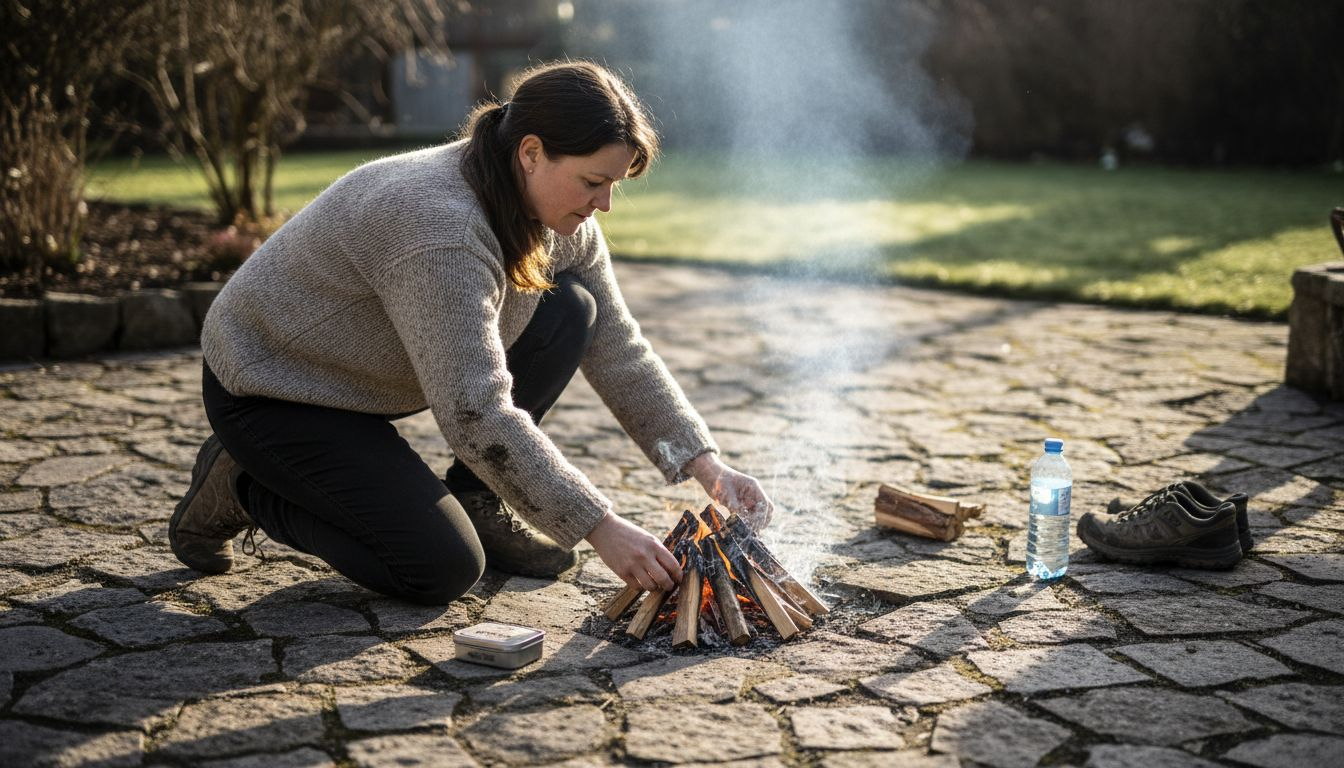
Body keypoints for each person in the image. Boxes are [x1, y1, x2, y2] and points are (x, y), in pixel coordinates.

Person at [169, 61, 775, 605]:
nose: (605, 204)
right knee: (438, 568)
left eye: (613, 184)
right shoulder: (442, 229)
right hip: (274, 389)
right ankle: (245, 483)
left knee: (575, 308)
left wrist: (708, 468)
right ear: (532, 152)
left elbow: (619, 346)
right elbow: (475, 413)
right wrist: (600, 526)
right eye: (593, 182)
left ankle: (478, 499)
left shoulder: (557, 219)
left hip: (361, 380)